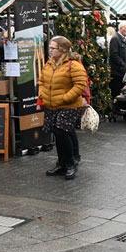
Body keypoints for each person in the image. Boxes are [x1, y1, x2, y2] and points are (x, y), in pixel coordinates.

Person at [39, 36, 87, 180]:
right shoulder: (49, 64)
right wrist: (42, 94)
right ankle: (61, 164)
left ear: (63, 50)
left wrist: (65, 98)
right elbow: (41, 81)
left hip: (69, 106)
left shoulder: (74, 65)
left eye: (53, 48)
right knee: (58, 133)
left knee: (61, 131)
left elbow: (80, 85)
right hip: (51, 105)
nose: (50, 50)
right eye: (50, 48)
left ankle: (70, 164)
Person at [109, 22, 126, 100]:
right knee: (116, 91)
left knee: (121, 91)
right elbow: (113, 54)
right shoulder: (115, 38)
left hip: (122, 71)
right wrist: (123, 65)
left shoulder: (123, 39)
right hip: (117, 71)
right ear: (121, 28)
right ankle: (115, 109)